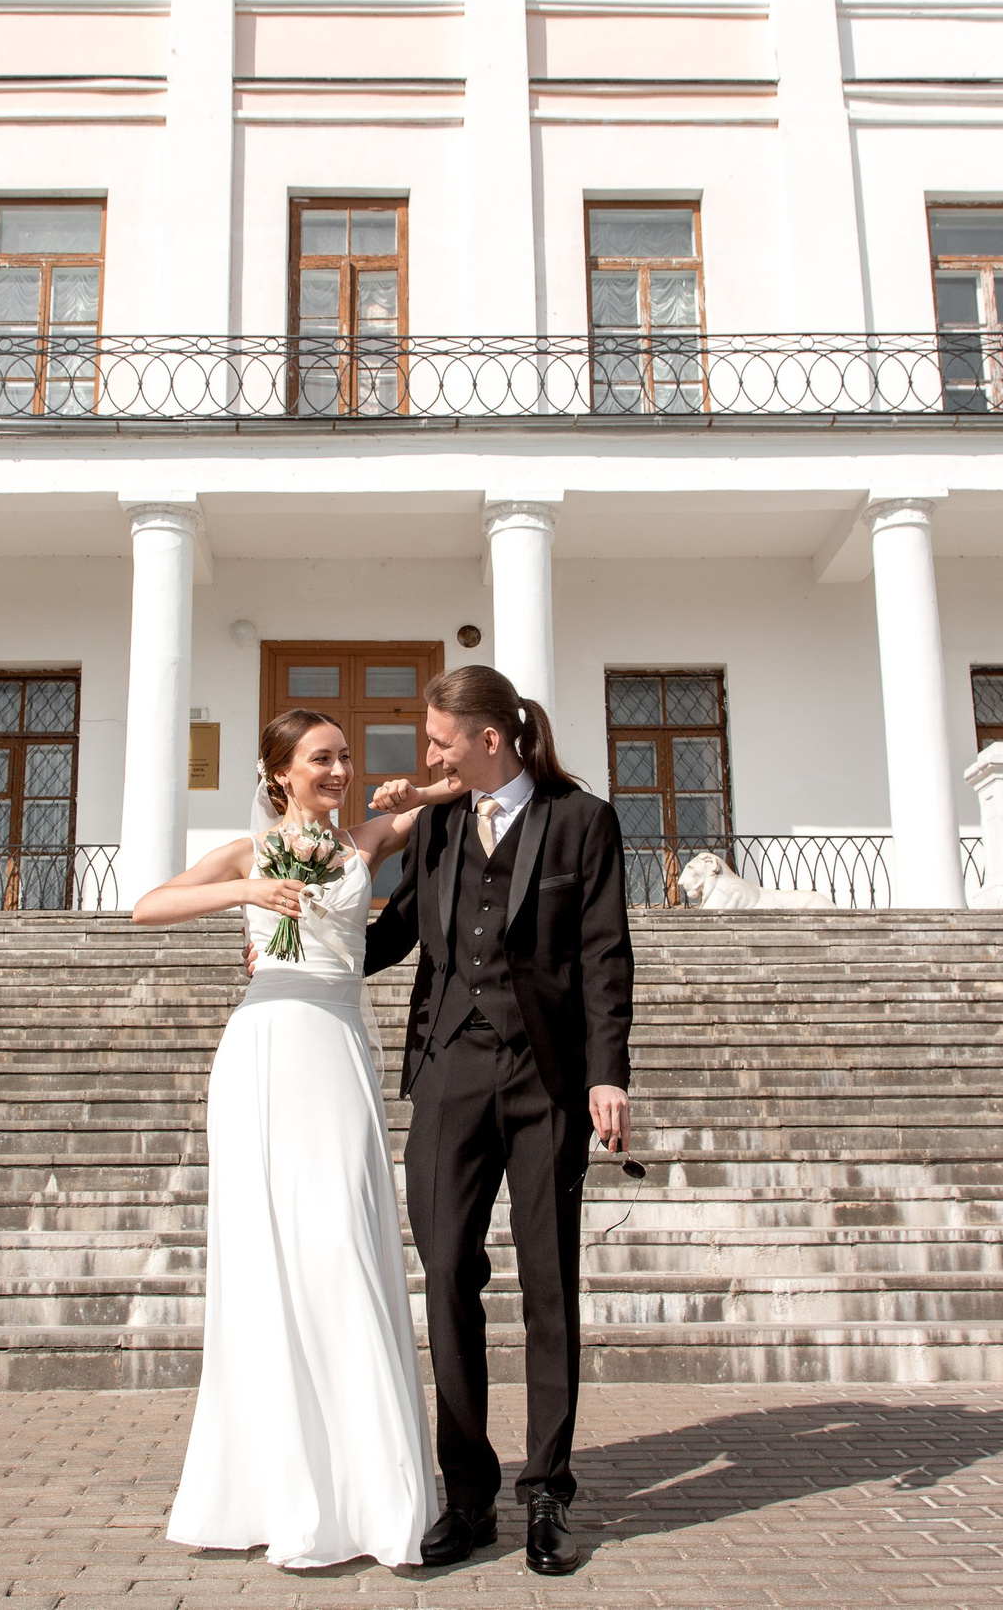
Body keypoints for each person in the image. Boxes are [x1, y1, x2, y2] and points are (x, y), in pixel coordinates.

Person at [131, 709, 465, 1571]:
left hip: (337, 1045)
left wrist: (415, 786)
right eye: (323, 758)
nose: (340, 769)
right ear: (278, 772)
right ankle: (275, 1489)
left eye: (346, 757)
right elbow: (148, 906)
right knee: (267, 1256)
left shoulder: (360, 843)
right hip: (264, 1048)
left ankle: (374, 1493)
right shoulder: (247, 853)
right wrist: (244, 891)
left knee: (343, 1244)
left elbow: (463, 785)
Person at [361, 664, 635, 1577]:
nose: (426, 756)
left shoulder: (581, 820)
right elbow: (396, 932)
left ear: (489, 739)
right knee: (445, 1273)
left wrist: (608, 1075)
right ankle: (468, 1491)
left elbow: (603, 954)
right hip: (447, 1071)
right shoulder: (437, 823)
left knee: (550, 1280)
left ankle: (548, 1490)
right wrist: (302, 938)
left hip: (545, 1076)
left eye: (439, 741)